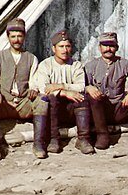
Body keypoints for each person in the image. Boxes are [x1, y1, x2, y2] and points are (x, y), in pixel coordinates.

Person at [0, 17, 39, 160]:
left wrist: (34, 89)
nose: (16, 40)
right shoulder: (0, 57)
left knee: (42, 101)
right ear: (8, 37)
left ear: (24, 37)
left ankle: (39, 143)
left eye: (19, 36)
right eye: (13, 37)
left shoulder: (31, 58)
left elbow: (35, 82)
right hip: (5, 104)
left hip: (23, 105)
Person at [33, 30, 94, 158]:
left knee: (82, 98)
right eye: (61, 46)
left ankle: (83, 139)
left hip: (72, 110)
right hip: (54, 110)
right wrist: (64, 92)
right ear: (54, 48)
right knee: (50, 98)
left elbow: (81, 86)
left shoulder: (76, 65)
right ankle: (54, 139)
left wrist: (61, 86)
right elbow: (44, 88)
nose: (65, 50)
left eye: (68, 46)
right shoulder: (45, 65)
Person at [83, 31, 128, 151]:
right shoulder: (91, 66)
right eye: (105, 45)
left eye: (112, 45)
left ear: (117, 47)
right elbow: (80, 85)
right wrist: (88, 87)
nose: (108, 49)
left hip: (119, 109)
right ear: (99, 47)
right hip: (99, 112)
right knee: (92, 97)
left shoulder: (125, 64)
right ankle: (102, 136)